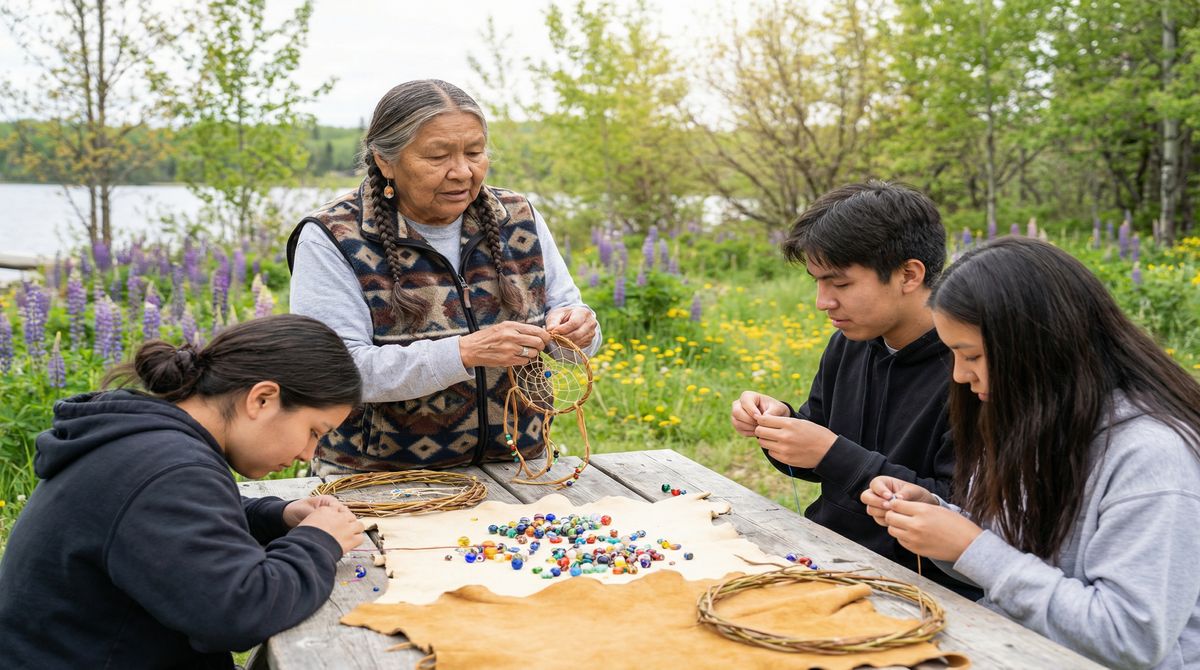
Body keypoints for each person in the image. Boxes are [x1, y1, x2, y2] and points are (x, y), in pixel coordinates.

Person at [862, 237, 1200, 669]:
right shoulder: (1035, 417)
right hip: (1011, 647)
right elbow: (1012, 552)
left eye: (972, 356)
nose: (960, 375)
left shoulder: (1151, 457)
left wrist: (972, 547)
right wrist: (937, 519)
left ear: (1039, 347)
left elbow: (1129, 638)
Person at [0, 315, 367, 669]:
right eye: (314, 432)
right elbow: (240, 612)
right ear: (262, 399)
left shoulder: (149, 444)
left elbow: (181, 523)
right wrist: (318, 541)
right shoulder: (169, 469)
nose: (307, 453)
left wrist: (277, 516)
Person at [288, 79, 600, 476]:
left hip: (521, 470)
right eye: (438, 156)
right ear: (385, 161)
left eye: (475, 152)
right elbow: (335, 372)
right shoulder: (334, 235)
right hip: (377, 481)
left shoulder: (516, 216)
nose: (463, 172)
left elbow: (568, 317)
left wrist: (579, 330)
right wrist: (463, 353)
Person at [731, 180, 979, 598]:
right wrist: (779, 425)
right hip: (825, 553)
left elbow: (958, 510)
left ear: (909, 274)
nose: (822, 301)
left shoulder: (971, 368)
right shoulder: (849, 343)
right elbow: (814, 458)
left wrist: (830, 452)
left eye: (840, 284)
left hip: (921, 585)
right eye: (817, 282)